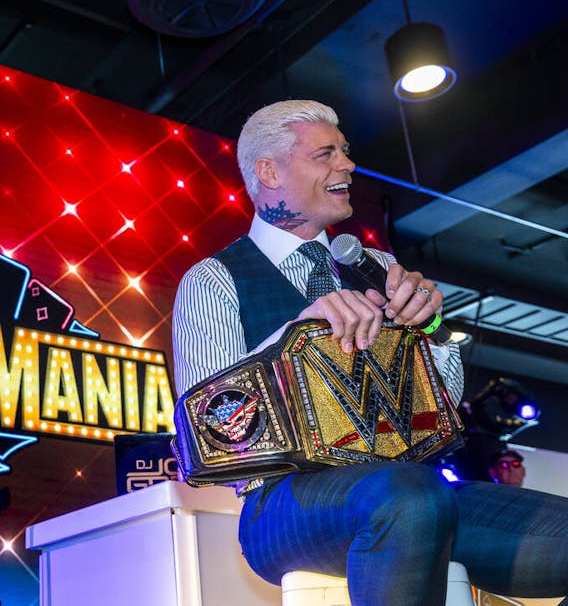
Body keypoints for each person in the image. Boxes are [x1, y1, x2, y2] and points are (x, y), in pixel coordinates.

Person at [172, 99, 568, 606]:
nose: (348, 165)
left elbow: (437, 411)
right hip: (280, 506)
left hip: (410, 490)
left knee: (412, 491)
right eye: (326, 153)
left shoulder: (372, 263)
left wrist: (431, 329)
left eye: (346, 151)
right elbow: (208, 425)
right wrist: (295, 333)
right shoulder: (213, 280)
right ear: (268, 171)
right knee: (407, 493)